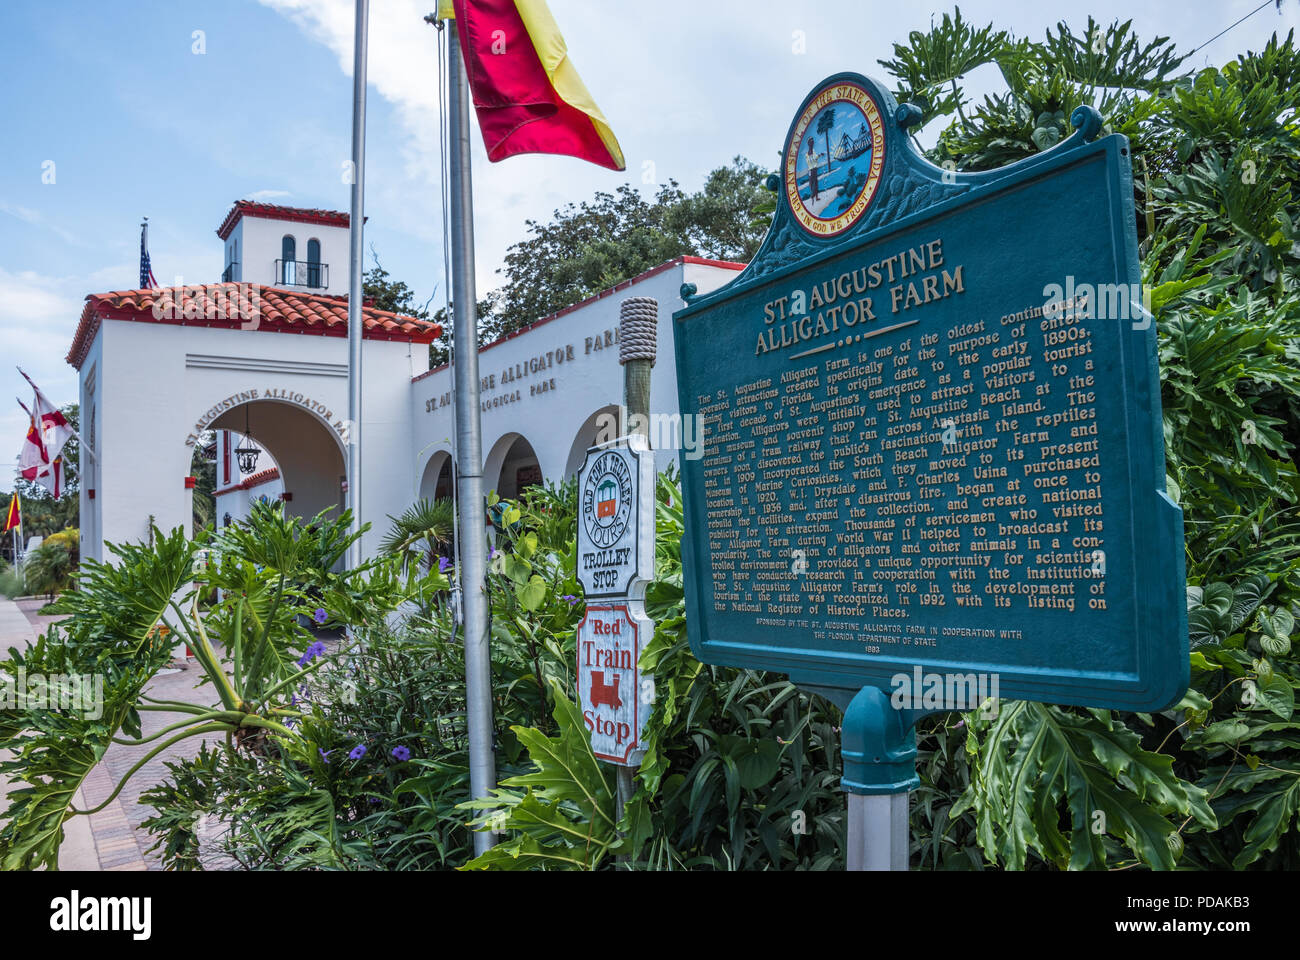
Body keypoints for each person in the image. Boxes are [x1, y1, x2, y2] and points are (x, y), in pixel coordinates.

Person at [806, 137, 821, 201]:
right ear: (809, 143)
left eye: (812, 142)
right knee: (814, 183)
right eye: (811, 142)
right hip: (812, 169)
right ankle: (813, 196)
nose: (812, 143)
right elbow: (814, 158)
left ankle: (815, 196)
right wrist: (819, 155)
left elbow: (812, 159)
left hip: (812, 169)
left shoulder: (811, 151)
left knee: (814, 183)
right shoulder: (809, 152)